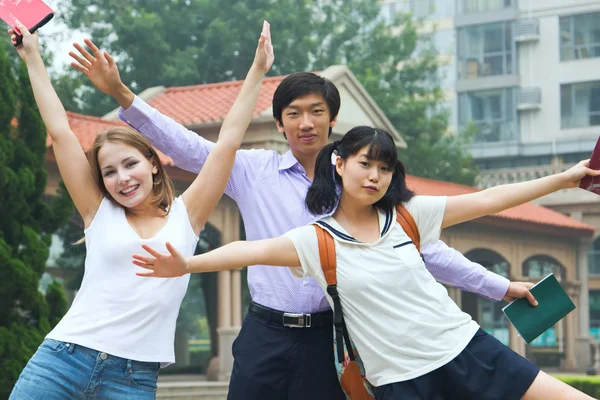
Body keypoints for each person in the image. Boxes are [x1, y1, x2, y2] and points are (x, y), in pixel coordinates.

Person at [71, 47, 536, 399]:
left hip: (331, 336)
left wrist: (498, 286)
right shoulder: (252, 171)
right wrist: (121, 94)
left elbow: (421, 250)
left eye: (316, 112)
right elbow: (188, 146)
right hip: (265, 334)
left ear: (333, 120)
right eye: (293, 113)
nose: (305, 122)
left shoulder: (361, 185)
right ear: (280, 123)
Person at [134, 126, 598, 400]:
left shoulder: (409, 215)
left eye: (385, 167)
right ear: (338, 163)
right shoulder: (316, 241)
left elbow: (491, 198)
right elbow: (245, 251)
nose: (375, 176)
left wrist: (565, 179)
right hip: (398, 382)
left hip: (466, 350)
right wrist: (187, 265)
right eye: (365, 164)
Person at [8, 20, 274, 399]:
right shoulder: (98, 212)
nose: (122, 178)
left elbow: (228, 142)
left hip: (131, 378)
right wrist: (32, 56)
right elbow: (61, 129)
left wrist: (258, 70)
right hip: (63, 360)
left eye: (130, 164)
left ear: (152, 162)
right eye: (109, 172)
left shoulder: (187, 217)